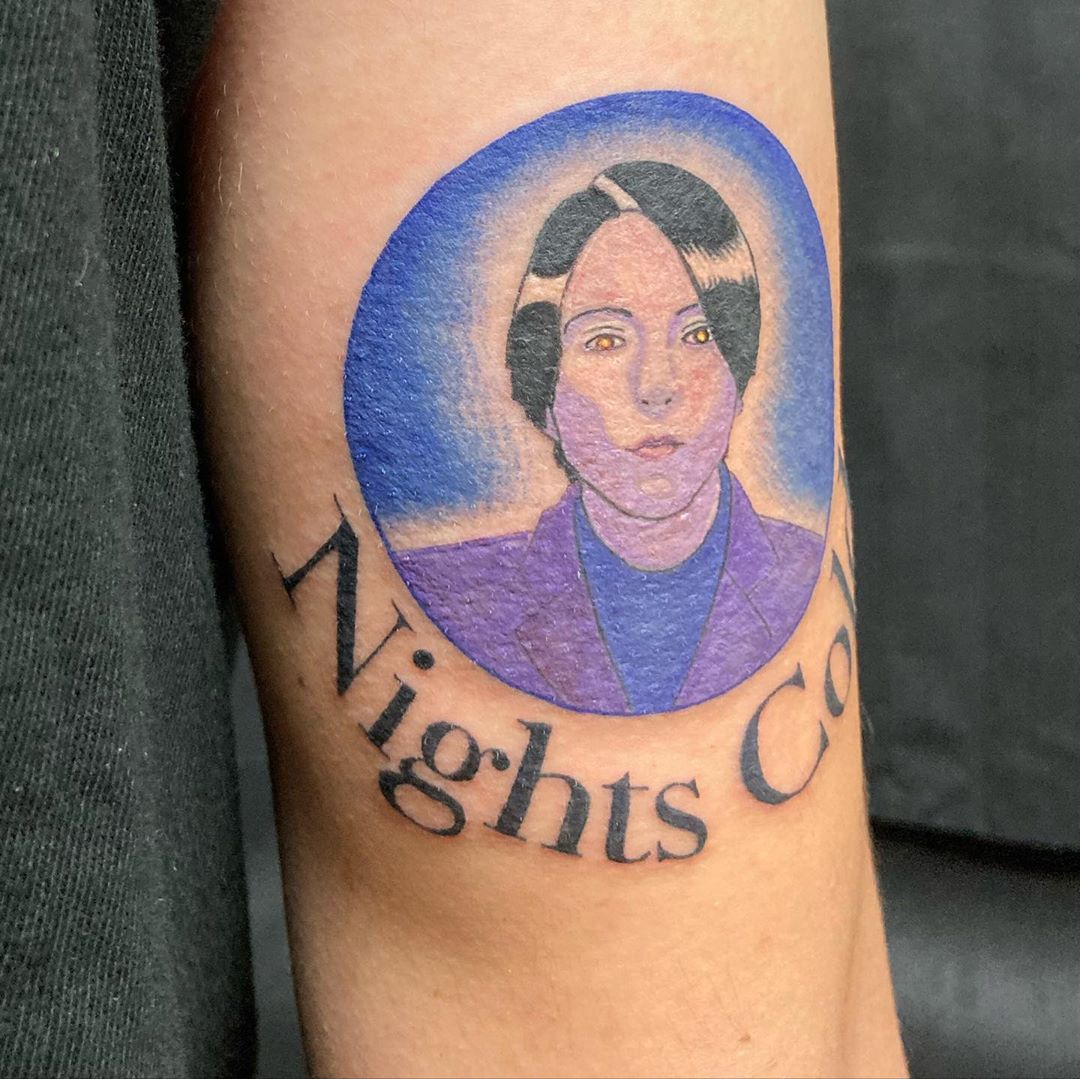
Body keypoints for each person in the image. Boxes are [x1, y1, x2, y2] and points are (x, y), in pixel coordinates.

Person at [393, 162, 824, 714]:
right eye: (605, 341)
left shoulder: (805, 570)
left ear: (737, 378)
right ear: (545, 389)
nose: (657, 387)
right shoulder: (447, 593)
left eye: (698, 334)